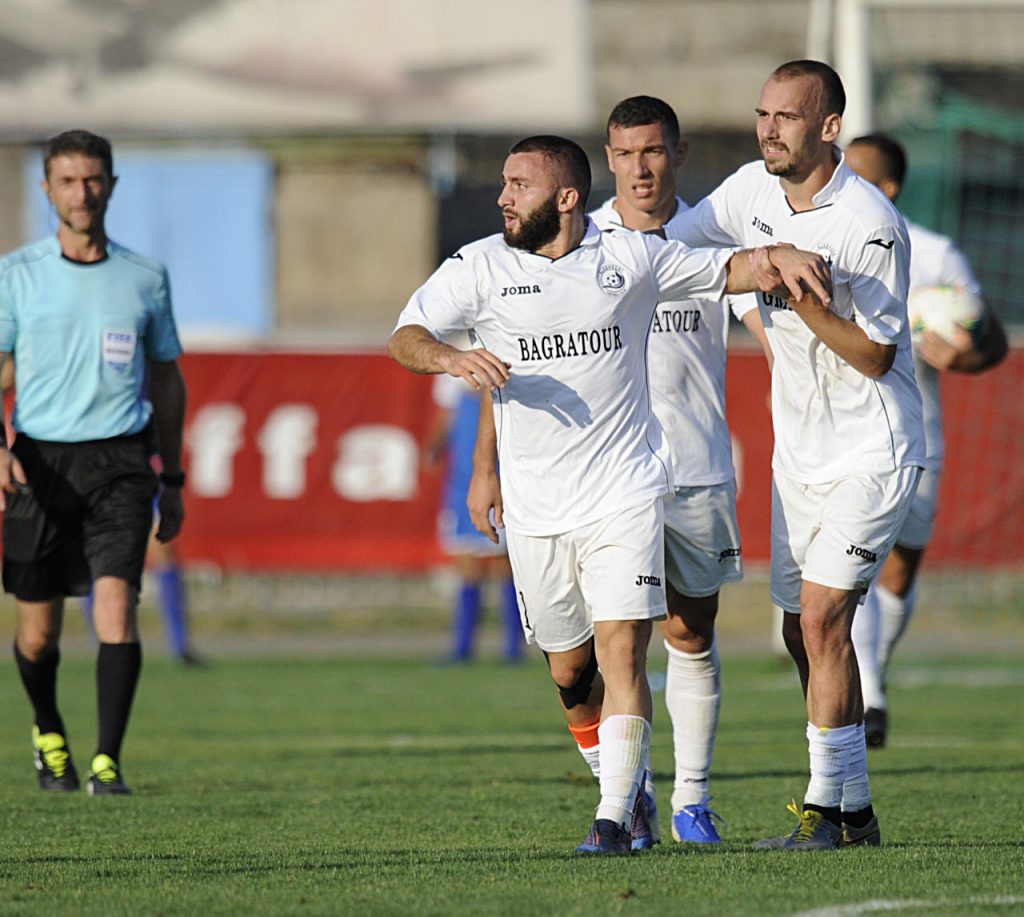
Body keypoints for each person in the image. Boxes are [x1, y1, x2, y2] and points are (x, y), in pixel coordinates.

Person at [388, 134, 830, 855]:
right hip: (537, 507)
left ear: (564, 198)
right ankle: (630, 793)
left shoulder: (628, 257)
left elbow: (728, 268)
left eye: (518, 185)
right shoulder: (479, 268)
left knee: (625, 648)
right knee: (571, 670)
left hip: (625, 490)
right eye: (503, 183)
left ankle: (615, 817)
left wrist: (778, 256)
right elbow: (405, 335)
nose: (503, 197)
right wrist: (449, 357)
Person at [673, 61, 926, 850]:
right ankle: (856, 813)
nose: (769, 129)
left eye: (787, 117)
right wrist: (761, 270)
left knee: (822, 619)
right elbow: (676, 250)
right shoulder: (750, 190)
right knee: (803, 633)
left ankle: (821, 811)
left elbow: (878, 357)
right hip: (800, 456)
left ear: (828, 129)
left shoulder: (870, 223)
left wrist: (800, 295)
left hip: (873, 449)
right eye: (762, 114)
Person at [578, 95, 772, 845]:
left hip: (695, 466)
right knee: (617, 644)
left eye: (652, 151)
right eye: (624, 154)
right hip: (607, 479)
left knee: (690, 632)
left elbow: (772, 329)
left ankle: (693, 800)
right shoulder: (582, 241)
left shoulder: (714, 241)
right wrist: (488, 462)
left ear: (679, 154)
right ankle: (632, 796)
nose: (639, 168)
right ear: (608, 158)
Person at [0, 129, 187, 796]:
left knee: (116, 607)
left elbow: (166, 378)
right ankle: (48, 729)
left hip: (121, 460)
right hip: (39, 464)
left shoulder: (145, 277)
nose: (83, 193)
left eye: (94, 179)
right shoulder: (17, 274)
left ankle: (108, 761)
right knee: (37, 632)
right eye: (69, 181)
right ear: (47, 190)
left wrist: (172, 476)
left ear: (112, 183)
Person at [843, 134, 1008, 747]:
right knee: (851, 571)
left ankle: (875, 671)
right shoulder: (822, 245)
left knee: (899, 573)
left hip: (917, 437)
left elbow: (986, 338)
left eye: (855, 172)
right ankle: (872, 698)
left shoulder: (936, 256)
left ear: (887, 188)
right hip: (845, 439)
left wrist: (962, 356)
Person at [425, 372, 522, 663]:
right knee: (466, 559)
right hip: (464, 476)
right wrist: (436, 444)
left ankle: (513, 647)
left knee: (506, 561)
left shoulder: (500, 345)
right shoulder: (448, 363)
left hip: (500, 471)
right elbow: (448, 412)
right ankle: (463, 647)